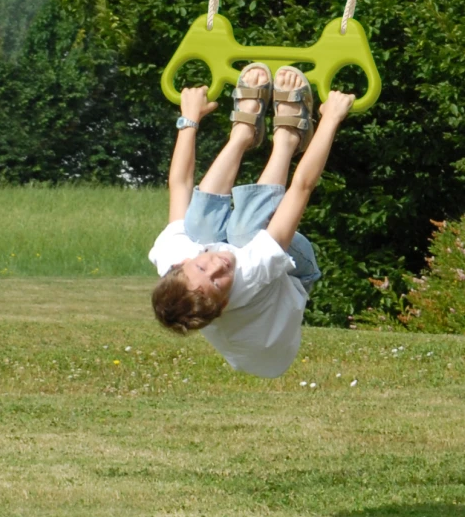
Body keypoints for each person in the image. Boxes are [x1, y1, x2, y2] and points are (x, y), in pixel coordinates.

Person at [149, 63, 354, 378]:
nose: (220, 265)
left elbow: (179, 184)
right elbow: (301, 187)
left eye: (203, 268)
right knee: (244, 233)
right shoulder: (251, 276)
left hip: (249, 329)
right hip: (294, 275)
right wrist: (331, 119)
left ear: (181, 263)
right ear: (225, 301)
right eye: (218, 282)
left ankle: (243, 133)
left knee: (198, 227)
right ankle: (288, 138)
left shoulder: (171, 255)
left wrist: (190, 116)